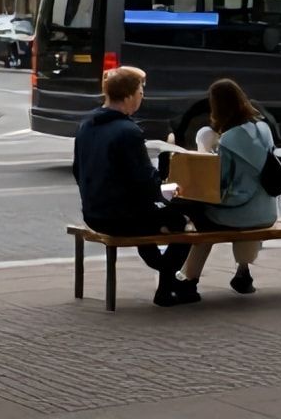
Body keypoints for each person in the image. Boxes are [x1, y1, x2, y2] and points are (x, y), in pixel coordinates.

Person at [73, 66, 194, 306]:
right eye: (140, 92)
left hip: (93, 213)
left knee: (149, 219)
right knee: (183, 222)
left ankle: (164, 272)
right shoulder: (128, 131)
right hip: (120, 216)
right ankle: (168, 285)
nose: (142, 97)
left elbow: (78, 169)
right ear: (128, 97)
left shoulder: (87, 124)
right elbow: (144, 182)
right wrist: (167, 186)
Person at [175, 79, 279, 297]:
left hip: (241, 214)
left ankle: (189, 279)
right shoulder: (263, 129)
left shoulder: (230, 138)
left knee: (203, 221)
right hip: (268, 212)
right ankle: (243, 272)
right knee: (244, 209)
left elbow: (218, 183)